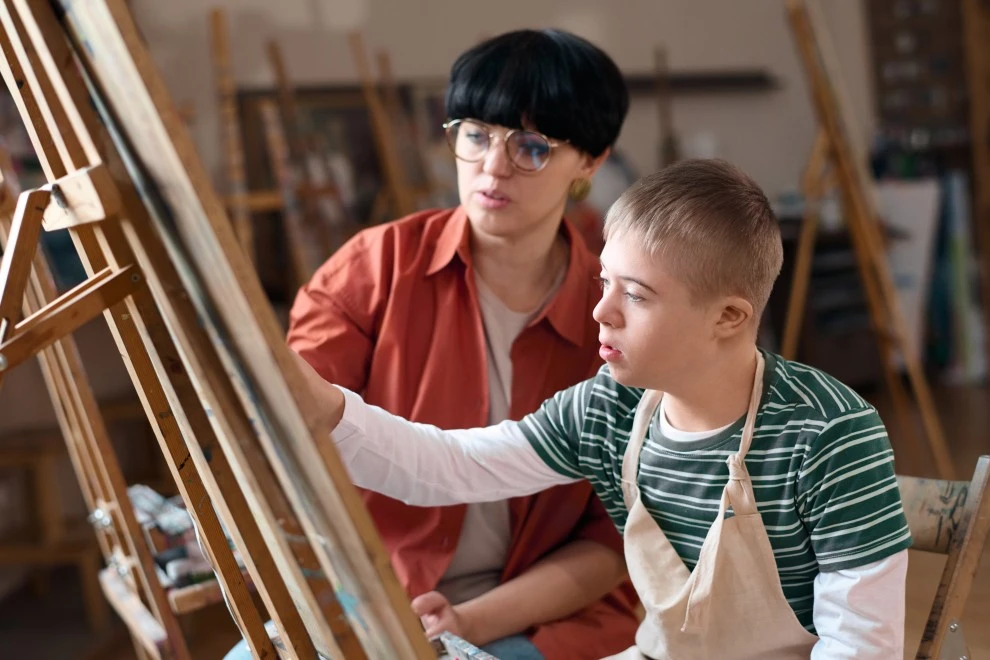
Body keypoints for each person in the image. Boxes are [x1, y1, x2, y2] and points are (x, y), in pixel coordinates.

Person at [296, 159, 913, 659]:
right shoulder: (610, 409)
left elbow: (860, 645)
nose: (601, 312)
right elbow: (454, 466)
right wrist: (326, 409)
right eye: (604, 282)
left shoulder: (830, 433)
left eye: (636, 296)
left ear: (729, 317)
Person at [276, 29, 640, 660]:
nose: (492, 168)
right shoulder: (372, 268)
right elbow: (289, 431)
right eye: (474, 134)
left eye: (531, 146)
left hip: (538, 614)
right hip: (375, 596)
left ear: (590, 160)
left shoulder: (615, 316)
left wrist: (467, 622)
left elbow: (613, 540)